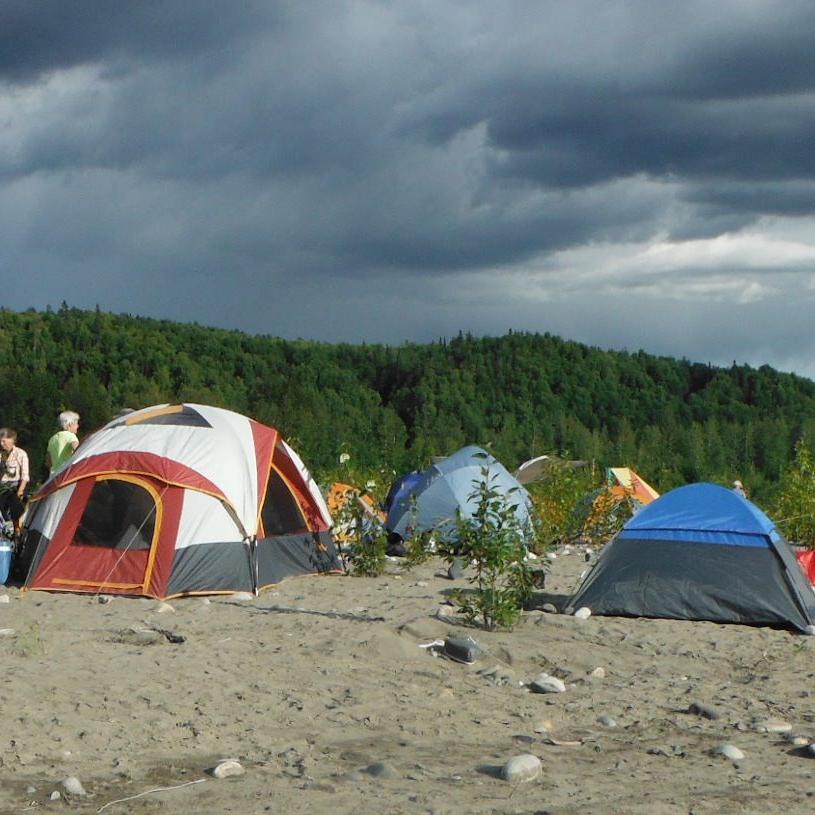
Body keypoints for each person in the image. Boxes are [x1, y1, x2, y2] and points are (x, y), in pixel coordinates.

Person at [0, 428, 30, 535]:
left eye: (4, 441)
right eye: (0, 441)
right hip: (3, 486)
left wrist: (20, 491)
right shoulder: (1, 454)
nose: (2, 444)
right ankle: (6, 528)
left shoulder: (21, 454)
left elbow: (25, 475)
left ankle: (17, 531)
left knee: (16, 506)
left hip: (16, 485)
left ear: (12, 440)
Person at [46, 410, 80, 476]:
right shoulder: (71, 436)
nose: (78, 426)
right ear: (70, 424)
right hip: (67, 474)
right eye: (76, 424)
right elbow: (78, 450)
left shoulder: (52, 439)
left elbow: (48, 462)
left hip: (54, 476)